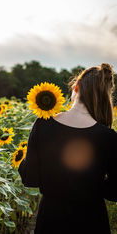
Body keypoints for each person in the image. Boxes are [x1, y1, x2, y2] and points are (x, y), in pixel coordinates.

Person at [18, 63, 117, 234]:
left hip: (51, 221)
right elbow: (115, 191)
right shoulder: (108, 136)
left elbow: (30, 178)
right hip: (92, 221)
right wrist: (91, 187)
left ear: (76, 87)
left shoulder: (43, 125)